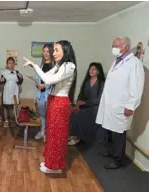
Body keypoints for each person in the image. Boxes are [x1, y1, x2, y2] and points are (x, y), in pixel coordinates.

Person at [23, 40, 77, 174]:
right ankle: (50, 162)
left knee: (57, 135)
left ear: (66, 51)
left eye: (56, 50)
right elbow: (46, 75)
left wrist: (35, 65)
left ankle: (55, 167)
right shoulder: (60, 65)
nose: (54, 53)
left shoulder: (69, 66)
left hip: (59, 102)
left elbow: (48, 80)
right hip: (53, 100)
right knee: (51, 133)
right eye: (54, 50)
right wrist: (35, 67)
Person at [96, 37, 145, 169]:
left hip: (122, 106)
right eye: (113, 45)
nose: (114, 48)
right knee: (111, 129)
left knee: (119, 132)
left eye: (116, 46)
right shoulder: (117, 61)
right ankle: (112, 151)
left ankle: (118, 159)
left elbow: (137, 86)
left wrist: (131, 105)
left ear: (126, 47)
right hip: (112, 103)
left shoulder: (134, 63)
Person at [68, 62, 105, 145]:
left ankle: (76, 137)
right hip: (84, 105)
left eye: (94, 69)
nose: (91, 71)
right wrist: (77, 104)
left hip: (95, 107)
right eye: (90, 69)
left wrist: (84, 103)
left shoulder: (101, 83)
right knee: (73, 112)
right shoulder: (87, 81)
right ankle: (73, 135)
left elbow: (99, 100)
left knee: (79, 114)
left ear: (98, 71)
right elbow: (81, 94)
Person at [34, 43, 55, 140]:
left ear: (51, 52)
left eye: (48, 51)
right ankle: (42, 131)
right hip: (40, 94)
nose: (46, 53)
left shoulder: (54, 66)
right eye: (44, 51)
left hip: (50, 94)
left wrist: (45, 86)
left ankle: (48, 133)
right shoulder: (42, 64)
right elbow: (39, 78)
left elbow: (54, 81)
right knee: (42, 115)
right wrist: (37, 83)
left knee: (50, 115)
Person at [0, 57, 24, 128]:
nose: (11, 65)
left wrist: (21, 77)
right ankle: (6, 120)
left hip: (14, 92)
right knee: (6, 106)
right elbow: (1, 83)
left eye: (13, 63)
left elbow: (20, 82)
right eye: (9, 63)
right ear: (7, 64)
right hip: (6, 91)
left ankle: (13, 120)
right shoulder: (4, 72)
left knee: (13, 107)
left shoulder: (17, 72)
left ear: (15, 64)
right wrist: (1, 80)